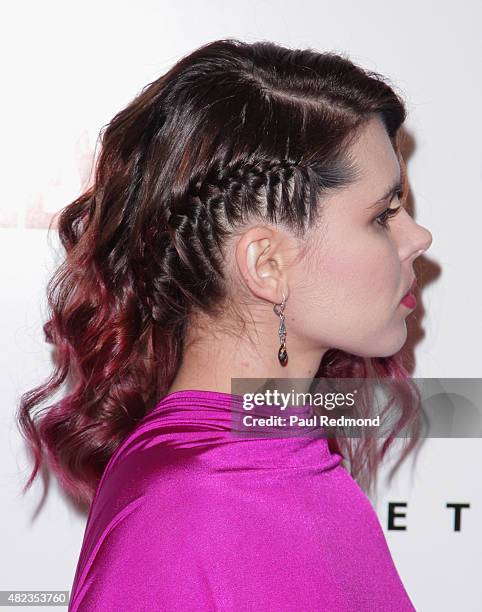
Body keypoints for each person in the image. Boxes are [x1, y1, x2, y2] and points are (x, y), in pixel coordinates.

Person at [17, 38, 432, 611]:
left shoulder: (282, 462)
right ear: (266, 264)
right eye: (383, 215)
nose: (418, 238)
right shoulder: (190, 506)